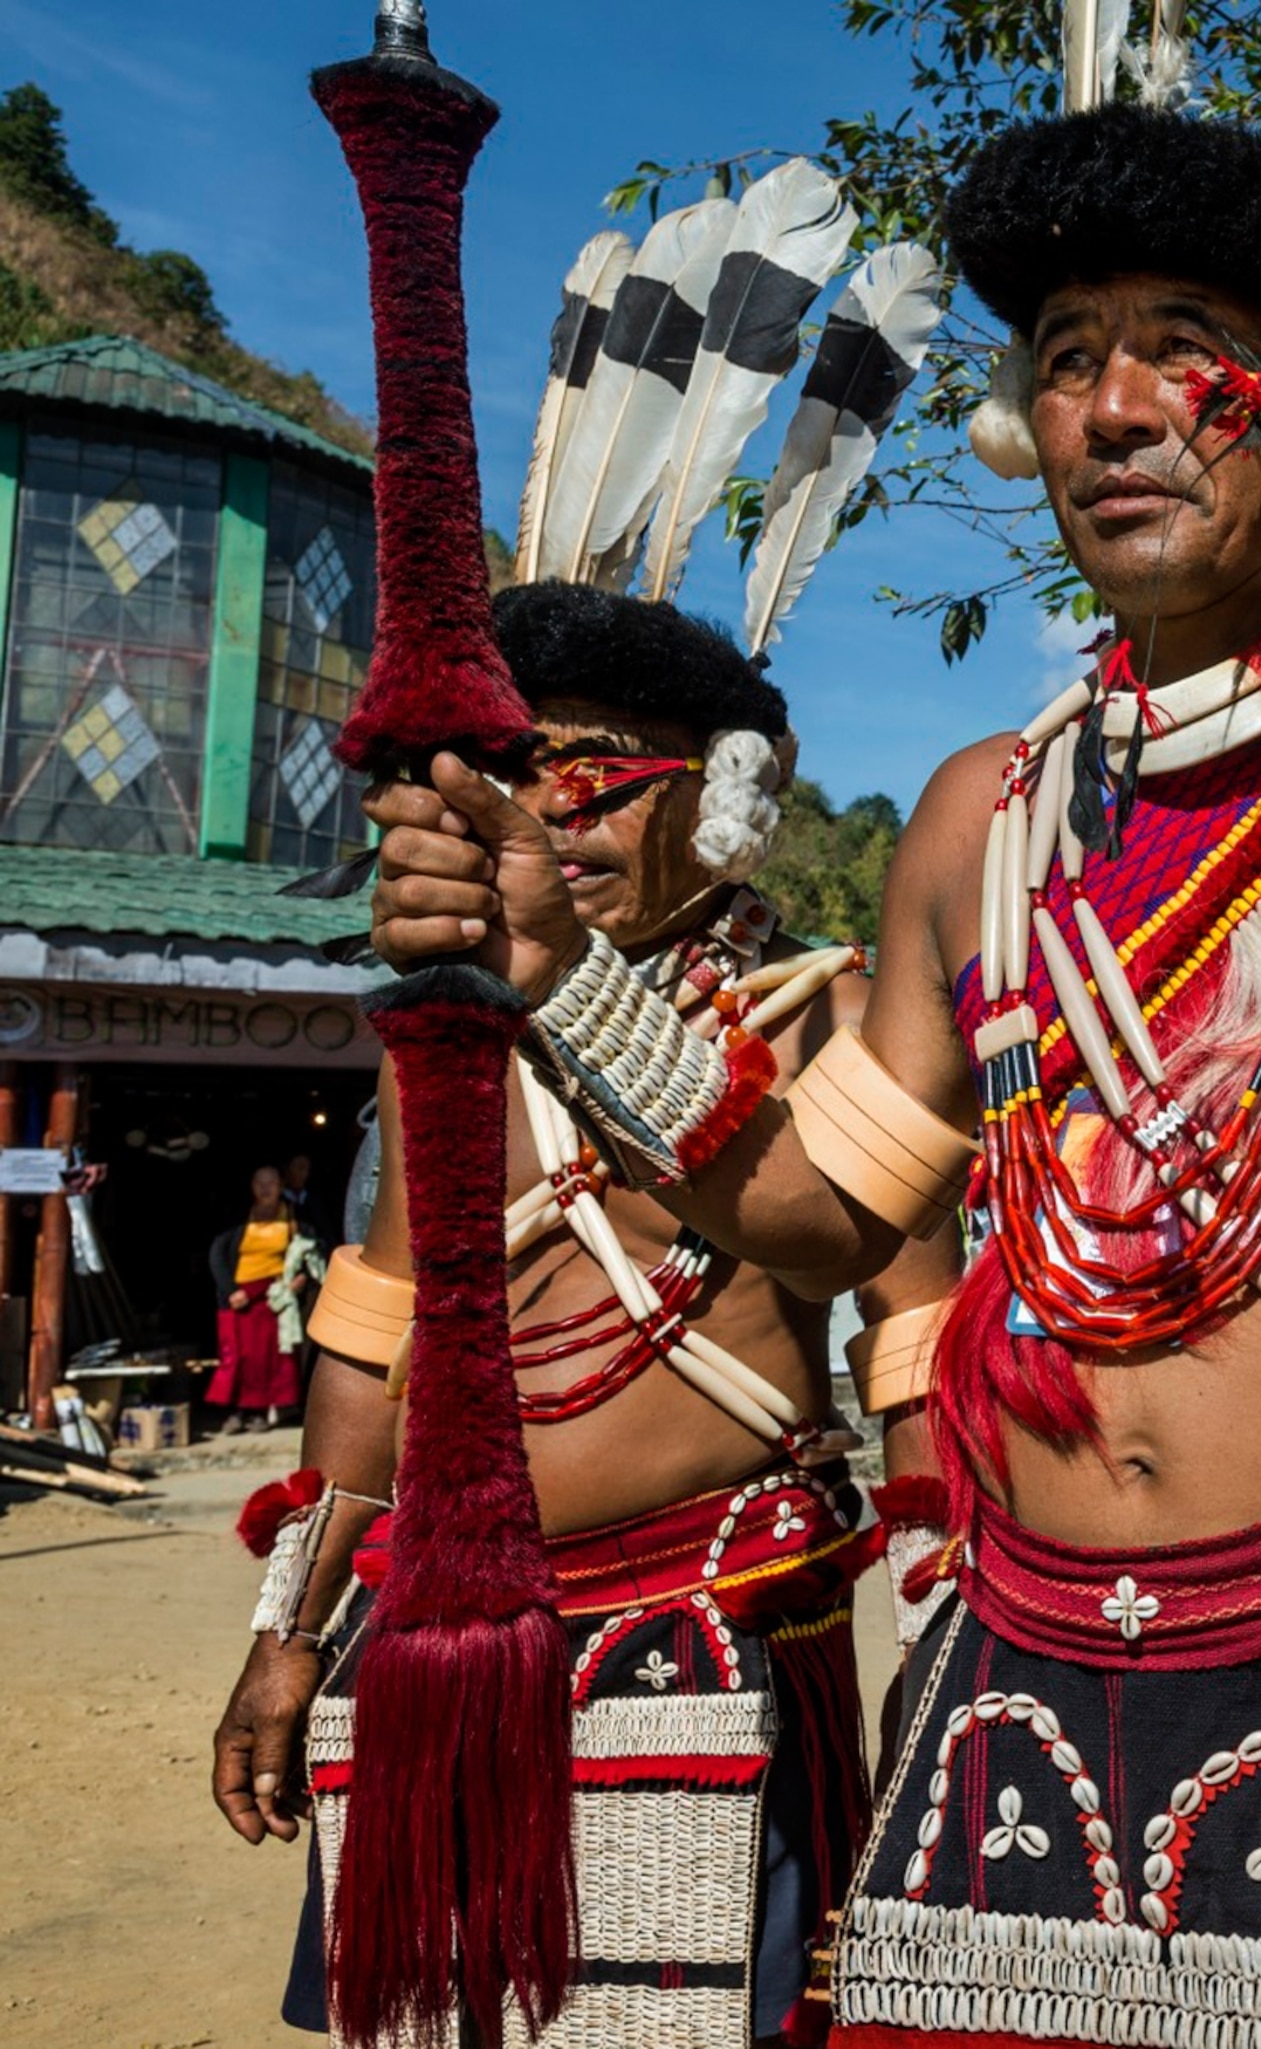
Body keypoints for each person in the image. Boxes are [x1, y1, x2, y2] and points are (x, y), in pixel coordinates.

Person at [364, 79, 1261, 2049]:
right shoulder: (982, 818)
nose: (1111, 410)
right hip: (1011, 1675)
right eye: (1064, 361)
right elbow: (830, 1205)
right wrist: (562, 975)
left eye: (1181, 358)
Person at [208, 149, 948, 2045]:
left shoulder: (819, 1003)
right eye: (525, 780)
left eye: (611, 777)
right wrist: (292, 1628)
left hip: (704, 1624)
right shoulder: (442, 1043)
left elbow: (910, 1330)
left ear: (722, 794)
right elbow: (368, 1350)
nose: (560, 822)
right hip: (445, 1631)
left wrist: (952, 1640)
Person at [208, 1163, 319, 1432]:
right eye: (260, 1182)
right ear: (252, 1187)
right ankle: (237, 1412)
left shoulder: (294, 1218)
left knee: (266, 1358)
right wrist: (231, 1289)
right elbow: (217, 1253)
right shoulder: (238, 1217)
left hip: (272, 1296)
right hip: (238, 1296)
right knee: (236, 1356)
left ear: (281, 1186)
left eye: (271, 1182)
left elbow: (312, 1248)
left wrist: (301, 1278)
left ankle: (259, 1411)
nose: (266, 1188)